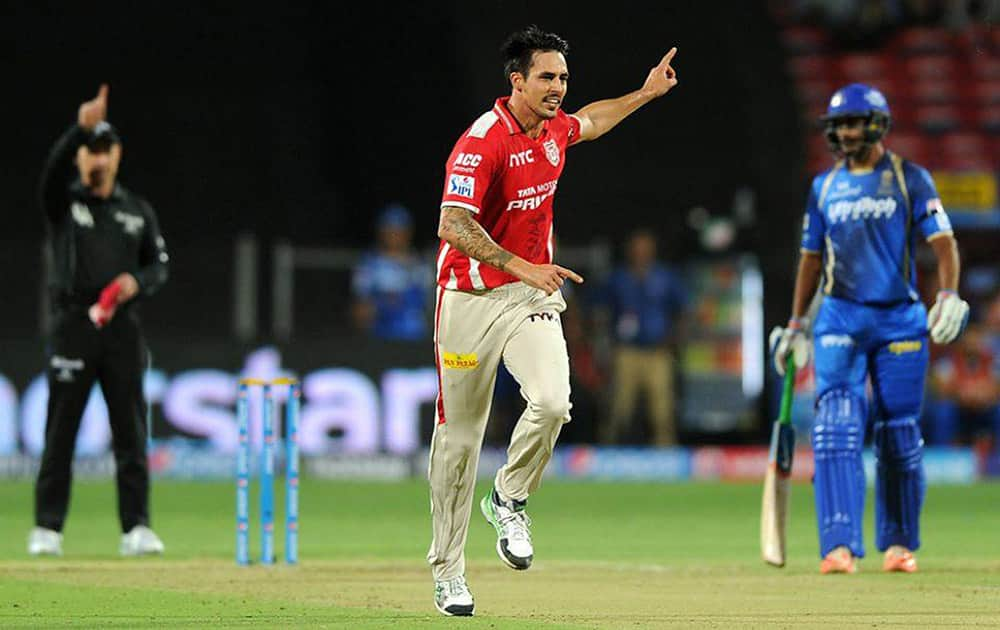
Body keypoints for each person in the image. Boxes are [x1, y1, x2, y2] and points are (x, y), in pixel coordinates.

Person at [427, 25, 678, 616]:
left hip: (527, 297)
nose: (558, 88)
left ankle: (509, 497)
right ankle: (449, 572)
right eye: (546, 76)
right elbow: (452, 225)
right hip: (467, 300)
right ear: (516, 80)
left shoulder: (553, 133)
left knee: (554, 402)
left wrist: (643, 94)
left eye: (563, 77)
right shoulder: (481, 141)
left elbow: (591, 120)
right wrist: (520, 264)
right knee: (460, 440)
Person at [773, 83, 969, 575]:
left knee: (899, 432)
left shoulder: (910, 178)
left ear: (877, 123)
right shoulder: (824, 186)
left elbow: (943, 244)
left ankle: (900, 544)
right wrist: (798, 323)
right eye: (838, 124)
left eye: (853, 122)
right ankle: (837, 547)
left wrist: (948, 293)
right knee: (835, 428)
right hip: (839, 317)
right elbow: (810, 261)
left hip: (899, 318)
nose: (844, 132)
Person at [29, 85, 170, 557]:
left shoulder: (137, 211)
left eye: (106, 151)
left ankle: (137, 528)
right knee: (61, 431)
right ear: (81, 157)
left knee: (131, 432)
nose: (98, 160)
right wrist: (79, 130)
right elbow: (48, 175)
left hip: (123, 330)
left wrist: (138, 281)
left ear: (118, 157)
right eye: (91, 151)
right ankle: (48, 529)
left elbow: (159, 265)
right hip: (73, 324)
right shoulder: (63, 203)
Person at [597, 229, 688, 446]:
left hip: (658, 351)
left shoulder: (665, 277)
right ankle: (608, 453)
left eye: (645, 248)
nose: (641, 253)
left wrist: (674, 341)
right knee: (619, 408)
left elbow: (684, 310)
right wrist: (605, 345)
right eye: (637, 248)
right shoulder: (618, 278)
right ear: (630, 251)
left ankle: (666, 454)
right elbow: (601, 310)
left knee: (662, 410)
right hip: (626, 351)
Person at [350, 203, 433, 341]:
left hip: (416, 338)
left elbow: (431, 305)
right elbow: (360, 309)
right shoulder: (369, 265)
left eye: (400, 230)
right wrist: (383, 305)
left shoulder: (420, 265)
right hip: (380, 337)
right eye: (390, 230)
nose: (395, 235)